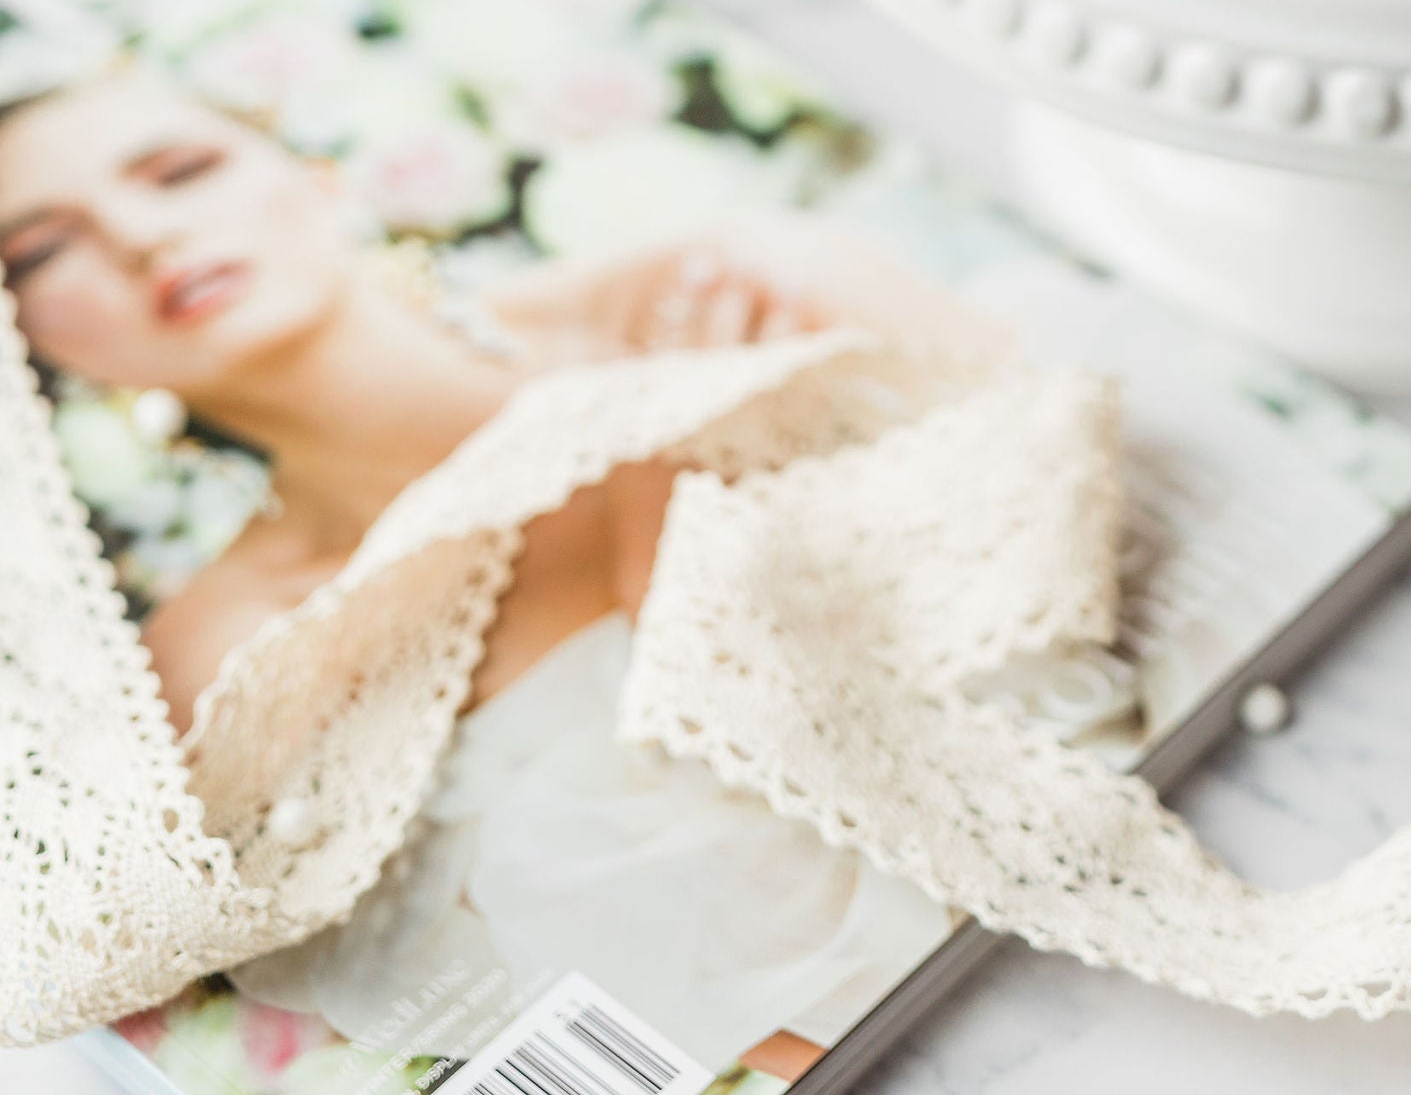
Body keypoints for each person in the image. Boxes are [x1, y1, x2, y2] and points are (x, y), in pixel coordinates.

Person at [0, 63, 990, 1071]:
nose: (137, 238)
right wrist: (663, 474)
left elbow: (1109, 603)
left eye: (179, 170)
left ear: (319, 174)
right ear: (32, 349)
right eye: (42, 252)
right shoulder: (221, 671)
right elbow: (642, 1014)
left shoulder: (734, 289)